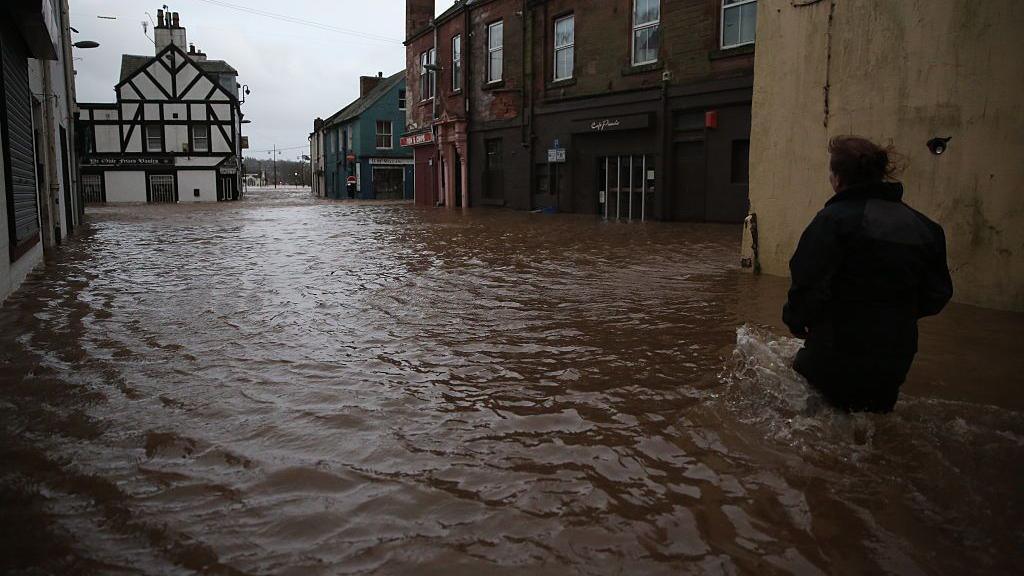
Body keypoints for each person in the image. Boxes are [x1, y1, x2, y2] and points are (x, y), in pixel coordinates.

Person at [783, 136, 953, 412]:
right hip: (896, 354)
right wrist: (895, 316)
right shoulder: (926, 227)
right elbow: (938, 293)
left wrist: (796, 321)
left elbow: (807, 282)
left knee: (811, 421)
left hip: (834, 349)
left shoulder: (832, 221)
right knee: (875, 422)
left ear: (837, 178)